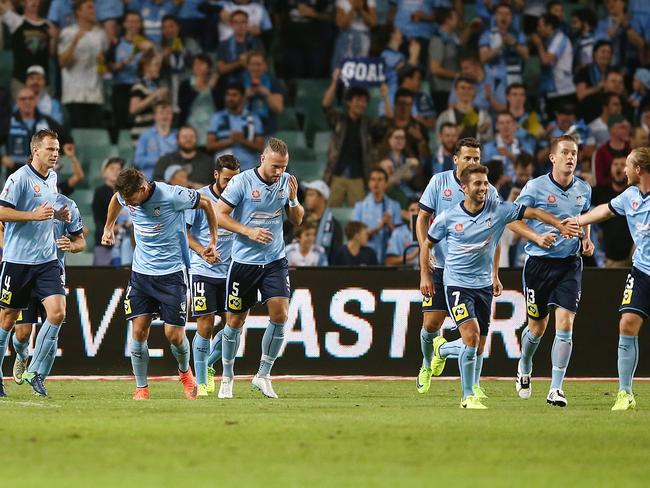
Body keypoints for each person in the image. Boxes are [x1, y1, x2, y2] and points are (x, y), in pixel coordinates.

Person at [421, 163, 577, 409]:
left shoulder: (499, 210)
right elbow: (427, 244)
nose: (483, 187)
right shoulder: (448, 217)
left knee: (479, 344)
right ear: (464, 188)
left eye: (485, 183)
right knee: (471, 337)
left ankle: (442, 351)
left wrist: (559, 225)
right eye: (478, 183)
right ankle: (467, 396)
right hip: (456, 285)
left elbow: (534, 213)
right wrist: (425, 276)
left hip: (483, 286)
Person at [101, 167, 218, 400]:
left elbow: (205, 203)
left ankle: (185, 373)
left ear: (143, 189)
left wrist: (212, 240)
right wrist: (108, 226)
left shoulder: (172, 195)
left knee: (174, 335)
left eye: (131, 199)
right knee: (138, 331)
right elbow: (116, 200)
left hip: (172, 274)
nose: (128, 203)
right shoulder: (125, 196)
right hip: (141, 274)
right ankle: (141, 388)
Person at [214, 138, 304, 399]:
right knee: (234, 322)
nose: (279, 172)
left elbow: (297, 220)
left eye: (283, 167)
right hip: (243, 263)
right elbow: (219, 215)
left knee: (281, 315)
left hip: (275, 260)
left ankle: (263, 375)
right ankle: (227, 378)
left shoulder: (287, 181)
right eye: (275, 166)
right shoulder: (241, 182)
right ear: (263, 159)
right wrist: (248, 231)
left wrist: (294, 199)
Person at [511, 135, 594, 407]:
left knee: (566, 324)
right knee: (536, 329)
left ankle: (556, 388)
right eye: (566, 153)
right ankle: (525, 365)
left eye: (574, 153)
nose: (571, 157)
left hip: (569, 264)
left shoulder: (584, 189)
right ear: (553, 157)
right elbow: (511, 221)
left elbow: (586, 215)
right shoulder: (535, 187)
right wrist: (536, 237)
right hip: (538, 265)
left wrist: (586, 238)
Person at [564, 147, 650, 411]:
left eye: (627, 165)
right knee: (626, 324)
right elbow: (604, 211)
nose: (623, 170)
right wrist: (577, 221)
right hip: (642, 271)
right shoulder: (630, 196)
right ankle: (624, 393)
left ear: (638, 169)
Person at [0, 129, 72, 398]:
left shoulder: (52, 177)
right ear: (35, 151)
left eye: (57, 149)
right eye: (50, 149)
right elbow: (1, 210)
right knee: (7, 320)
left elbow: (46, 210)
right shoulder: (18, 178)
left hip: (46, 259)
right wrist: (32, 215)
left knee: (58, 312)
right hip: (18, 260)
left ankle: (36, 372)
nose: (55, 154)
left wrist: (58, 214)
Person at [11, 193, 85, 386]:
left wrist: (72, 245)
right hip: (25, 272)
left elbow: (81, 241)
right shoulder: (23, 200)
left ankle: (38, 379)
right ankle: (22, 354)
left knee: (53, 329)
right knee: (22, 334)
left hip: (52, 274)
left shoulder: (67, 204)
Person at [186, 154, 240, 397]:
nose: (231, 184)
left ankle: (207, 365)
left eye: (235, 179)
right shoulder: (200, 199)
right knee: (205, 325)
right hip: (203, 270)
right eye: (227, 179)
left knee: (234, 325)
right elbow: (183, 234)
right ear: (216, 175)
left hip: (233, 270)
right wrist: (201, 251)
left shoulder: (242, 197)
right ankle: (202, 383)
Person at [321, 70, 388, 206]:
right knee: (327, 213)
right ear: (348, 102)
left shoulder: (368, 124)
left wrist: (385, 97)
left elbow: (386, 122)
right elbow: (326, 106)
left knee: (358, 217)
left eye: (364, 102)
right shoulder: (340, 120)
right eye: (358, 100)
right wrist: (335, 81)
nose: (361, 104)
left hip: (358, 176)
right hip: (337, 174)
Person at [58, 0, 108, 128]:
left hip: (95, 95)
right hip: (74, 95)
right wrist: (74, 41)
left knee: (95, 139)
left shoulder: (101, 34)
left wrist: (102, 63)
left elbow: (103, 70)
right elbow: (62, 62)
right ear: (79, 12)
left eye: (94, 7)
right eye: (89, 7)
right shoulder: (68, 33)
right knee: (77, 138)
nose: (93, 10)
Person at [2, 87, 71, 175]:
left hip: (41, 177)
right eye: (23, 99)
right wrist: (2, 158)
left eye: (30, 98)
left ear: (36, 100)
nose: (27, 102)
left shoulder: (46, 122)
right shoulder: (9, 122)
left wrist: (57, 155)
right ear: (18, 102)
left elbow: (67, 140)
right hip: (16, 176)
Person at [106, 11, 155, 134]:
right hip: (121, 87)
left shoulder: (147, 43)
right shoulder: (116, 43)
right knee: (122, 123)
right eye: (131, 21)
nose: (134, 25)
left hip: (142, 87)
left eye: (137, 21)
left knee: (142, 121)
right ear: (124, 24)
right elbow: (109, 66)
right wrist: (123, 63)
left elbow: (155, 64)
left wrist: (150, 51)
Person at [206, 83, 265, 171]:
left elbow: (260, 147)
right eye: (228, 95)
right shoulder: (217, 117)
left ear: (243, 98)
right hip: (224, 169)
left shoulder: (253, 119)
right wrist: (231, 141)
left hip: (248, 168)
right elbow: (209, 145)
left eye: (234, 95)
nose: (230, 98)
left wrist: (242, 141)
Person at [0, 0, 52, 97]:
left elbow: (52, 52)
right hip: (21, 80)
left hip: (42, 81)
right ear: (24, 2)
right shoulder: (17, 21)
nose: (34, 2)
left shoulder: (48, 26)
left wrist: (54, 38)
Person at [351, 167, 402, 263]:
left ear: (386, 183)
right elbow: (355, 235)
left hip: (388, 256)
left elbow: (399, 236)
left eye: (380, 180)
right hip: (365, 256)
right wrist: (379, 227)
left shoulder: (395, 206)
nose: (376, 183)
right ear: (369, 183)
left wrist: (389, 224)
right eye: (373, 179)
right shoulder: (360, 207)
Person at [531, 13, 576, 119]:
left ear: (549, 26)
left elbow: (546, 60)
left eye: (540, 25)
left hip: (563, 92)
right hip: (551, 92)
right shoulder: (548, 40)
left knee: (565, 128)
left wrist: (539, 45)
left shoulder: (560, 38)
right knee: (551, 125)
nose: (538, 29)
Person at [591, 156, 633, 269]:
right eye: (615, 164)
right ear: (610, 169)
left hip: (635, 255)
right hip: (609, 258)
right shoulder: (599, 192)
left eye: (623, 164)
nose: (619, 167)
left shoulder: (635, 192)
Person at [216, 9, 264, 104]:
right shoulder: (224, 45)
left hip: (253, 84)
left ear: (247, 24)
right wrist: (239, 63)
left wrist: (251, 63)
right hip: (231, 86)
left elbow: (263, 67)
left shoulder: (256, 43)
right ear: (231, 25)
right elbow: (221, 69)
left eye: (243, 22)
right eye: (236, 22)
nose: (240, 25)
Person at [436, 77, 493, 144]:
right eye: (462, 88)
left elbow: (489, 141)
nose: (466, 91)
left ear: (475, 91)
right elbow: (439, 141)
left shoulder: (484, 116)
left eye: (469, 88)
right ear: (456, 91)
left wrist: (482, 133)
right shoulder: (445, 116)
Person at [178, 53, 219, 146]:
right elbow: (182, 106)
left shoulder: (216, 84)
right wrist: (196, 89)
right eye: (195, 64)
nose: (197, 67)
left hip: (211, 131)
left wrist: (211, 88)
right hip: (191, 130)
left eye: (201, 64)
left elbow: (221, 105)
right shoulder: (185, 85)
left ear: (208, 68)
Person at [482, 111, 535, 182]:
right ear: (497, 126)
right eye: (501, 123)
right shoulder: (487, 148)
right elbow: (485, 173)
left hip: (521, 185)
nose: (505, 126)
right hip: (497, 187)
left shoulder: (526, 146)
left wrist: (512, 156)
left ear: (515, 125)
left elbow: (529, 170)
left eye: (508, 122)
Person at [243, 51, 285, 136]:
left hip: (267, 130)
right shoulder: (239, 83)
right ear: (247, 66)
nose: (255, 68)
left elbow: (278, 108)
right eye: (252, 64)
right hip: (244, 129)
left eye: (259, 64)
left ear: (265, 66)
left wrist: (267, 94)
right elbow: (231, 109)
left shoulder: (273, 83)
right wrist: (246, 95)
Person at [129, 49, 168, 143]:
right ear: (146, 66)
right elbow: (133, 109)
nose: (159, 68)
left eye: (160, 65)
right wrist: (154, 95)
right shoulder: (139, 86)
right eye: (156, 64)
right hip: (142, 134)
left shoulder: (156, 86)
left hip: (156, 134)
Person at [300, 180, 343, 264]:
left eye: (311, 195)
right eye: (307, 195)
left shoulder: (334, 225)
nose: (307, 198)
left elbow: (336, 255)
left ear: (322, 198)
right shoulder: (300, 221)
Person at [134, 101, 178, 180]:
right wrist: (156, 160)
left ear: (172, 116)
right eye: (161, 113)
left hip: (172, 180)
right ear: (154, 116)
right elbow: (138, 160)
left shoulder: (177, 135)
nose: (165, 116)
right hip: (150, 179)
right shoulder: (146, 135)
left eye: (168, 113)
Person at [92, 157, 124, 266]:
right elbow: (98, 219)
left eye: (118, 169)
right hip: (104, 243)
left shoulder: (126, 192)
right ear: (104, 172)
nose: (116, 171)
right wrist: (109, 231)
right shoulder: (100, 192)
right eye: (112, 168)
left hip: (123, 241)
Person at [331, 0, 377, 68]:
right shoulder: (342, 1)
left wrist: (360, 10)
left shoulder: (369, 1)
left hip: (364, 37)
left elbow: (373, 22)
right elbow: (341, 24)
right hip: (346, 36)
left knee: (360, 66)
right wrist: (353, 9)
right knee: (341, 66)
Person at [593, 113, 631, 187]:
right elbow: (599, 181)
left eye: (627, 127)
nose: (627, 130)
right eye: (623, 127)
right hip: (607, 194)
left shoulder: (631, 151)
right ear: (612, 129)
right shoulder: (601, 152)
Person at [385, 198, 418, 266]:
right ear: (406, 214)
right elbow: (389, 261)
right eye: (412, 210)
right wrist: (411, 256)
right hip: (406, 273)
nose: (416, 213)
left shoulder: (432, 232)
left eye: (419, 210)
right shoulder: (398, 233)